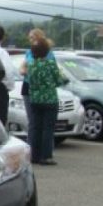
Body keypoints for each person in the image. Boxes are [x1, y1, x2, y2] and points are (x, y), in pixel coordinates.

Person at [26, 37, 65, 165]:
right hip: (49, 99)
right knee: (47, 128)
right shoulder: (50, 64)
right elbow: (59, 81)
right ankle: (46, 156)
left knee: (36, 127)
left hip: (35, 99)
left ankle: (34, 155)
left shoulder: (30, 65)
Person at [19, 28, 56, 149]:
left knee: (45, 123)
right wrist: (26, 71)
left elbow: (52, 71)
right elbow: (22, 68)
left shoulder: (49, 54)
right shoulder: (28, 53)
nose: (30, 40)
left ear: (39, 38)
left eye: (32, 37)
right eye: (29, 38)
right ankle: (32, 148)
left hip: (43, 89)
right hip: (28, 85)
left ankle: (45, 150)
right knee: (33, 121)